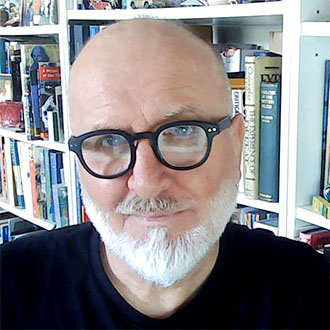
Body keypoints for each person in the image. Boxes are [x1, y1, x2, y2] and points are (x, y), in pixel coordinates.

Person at [1, 19, 329, 329]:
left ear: (237, 143)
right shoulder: (10, 291)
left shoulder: (312, 293)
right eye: (108, 141)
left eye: (183, 131)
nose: (146, 183)